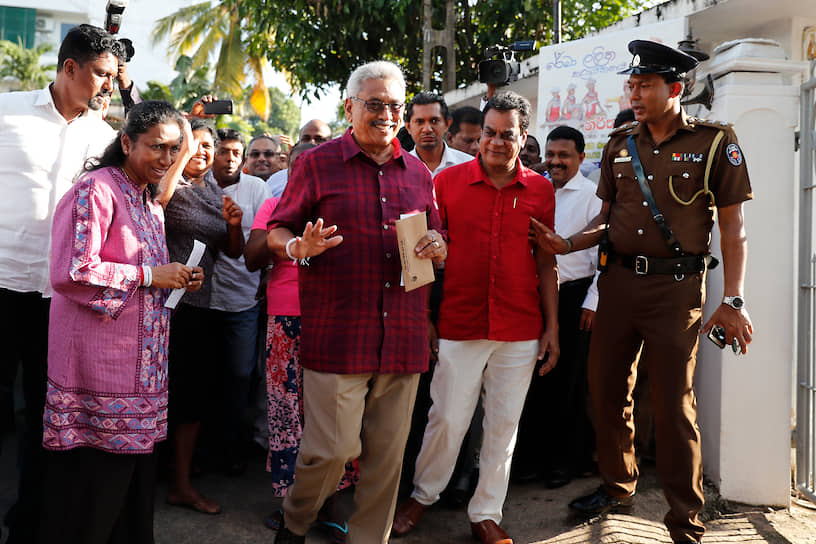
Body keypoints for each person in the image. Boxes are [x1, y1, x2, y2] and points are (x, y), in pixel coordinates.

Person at [530, 40, 754, 544]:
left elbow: (734, 228)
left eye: (645, 85)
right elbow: (606, 222)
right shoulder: (618, 144)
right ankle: (617, 485)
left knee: (675, 405)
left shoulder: (716, 142)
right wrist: (566, 242)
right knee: (606, 393)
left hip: (676, 291)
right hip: (618, 287)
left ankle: (685, 521)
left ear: (675, 88)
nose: (635, 93)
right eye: (631, 85)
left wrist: (733, 299)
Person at [266, 60, 447, 544]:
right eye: (375, 104)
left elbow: (434, 232)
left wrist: (438, 244)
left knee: (387, 460)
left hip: (403, 333)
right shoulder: (316, 162)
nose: (386, 114)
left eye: (394, 105)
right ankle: (295, 520)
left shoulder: (417, 172)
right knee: (332, 449)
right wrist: (296, 249)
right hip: (339, 333)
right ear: (350, 107)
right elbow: (276, 228)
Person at [393, 91, 559, 544]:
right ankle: (422, 496)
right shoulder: (446, 184)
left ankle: (485, 512)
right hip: (460, 321)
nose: (496, 142)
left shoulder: (540, 190)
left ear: (523, 138)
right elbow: (427, 256)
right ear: (478, 134)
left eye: (508, 135)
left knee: (504, 424)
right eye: (489, 132)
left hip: (521, 325)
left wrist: (552, 329)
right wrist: (426, 316)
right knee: (447, 416)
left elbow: (546, 262)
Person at [39, 100, 203, 544]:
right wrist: (153, 275)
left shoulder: (147, 200)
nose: (167, 160)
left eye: (174, 150)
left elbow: (145, 276)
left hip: (139, 373)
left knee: (128, 487)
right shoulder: (97, 189)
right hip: (100, 371)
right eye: (157, 148)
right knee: (94, 491)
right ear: (127, 142)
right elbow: (71, 271)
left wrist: (176, 277)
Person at [0, 24, 122, 543]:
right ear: (69, 67)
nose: (108, 86)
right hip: (2, 284)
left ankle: (26, 526)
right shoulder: (6, 112)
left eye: (114, 77)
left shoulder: (107, 138)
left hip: (61, 300)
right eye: (101, 74)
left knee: (45, 421)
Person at [158, 117, 245, 515]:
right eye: (194, 143)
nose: (203, 151)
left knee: (191, 398)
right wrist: (181, 155)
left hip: (197, 307)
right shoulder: (165, 182)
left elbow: (233, 252)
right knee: (156, 394)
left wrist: (233, 226)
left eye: (209, 145)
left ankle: (180, 484)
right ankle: (147, 479)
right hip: (158, 305)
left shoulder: (214, 191)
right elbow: (159, 199)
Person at [514, 126, 600, 488]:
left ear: (581, 157)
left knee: (569, 384)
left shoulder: (593, 196)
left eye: (564, 156)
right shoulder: (535, 189)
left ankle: (563, 462)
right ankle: (529, 461)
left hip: (575, 300)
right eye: (551, 155)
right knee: (533, 383)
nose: (555, 162)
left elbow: (604, 257)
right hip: (533, 298)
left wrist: (593, 301)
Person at [209, 128, 270, 475]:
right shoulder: (198, 184)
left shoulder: (256, 189)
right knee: (206, 376)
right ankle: (205, 447)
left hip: (242, 300)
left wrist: (266, 276)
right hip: (199, 299)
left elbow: (264, 238)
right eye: (223, 151)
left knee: (239, 376)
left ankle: (231, 450)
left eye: (236, 152)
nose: (229, 158)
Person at [406, 92, 472, 177]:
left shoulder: (468, 166)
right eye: (419, 122)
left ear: (447, 124)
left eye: (434, 121)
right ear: (408, 127)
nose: (427, 129)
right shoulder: (398, 170)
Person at [266, 120, 333, 197]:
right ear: (298, 143)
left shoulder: (341, 176)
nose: (311, 143)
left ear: (331, 143)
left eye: (319, 139)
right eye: (306, 139)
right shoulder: (276, 180)